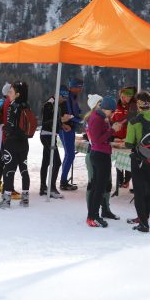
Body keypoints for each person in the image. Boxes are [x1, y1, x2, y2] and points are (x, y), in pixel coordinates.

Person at [125, 91, 150, 233]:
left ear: (138, 105)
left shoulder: (134, 121)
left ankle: (143, 223)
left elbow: (129, 144)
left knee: (140, 193)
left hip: (139, 161)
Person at [86, 95, 120, 227]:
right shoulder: (96, 118)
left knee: (99, 187)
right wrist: (112, 130)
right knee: (98, 187)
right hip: (99, 154)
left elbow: (102, 135)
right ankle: (92, 216)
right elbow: (96, 140)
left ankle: (95, 214)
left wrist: (111, 132)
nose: (112, 114)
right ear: (106, 109)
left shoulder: (101, 117)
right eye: (112, 111)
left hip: (102, 153)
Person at [0, 81, 32, 208]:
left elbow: (10, 127)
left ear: (17, 94)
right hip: (24, 143)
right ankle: (25, 200)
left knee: (9, 170)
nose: (9, 94)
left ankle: (6, 201)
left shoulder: (12, 106)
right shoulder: (26, 105)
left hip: (12, 143)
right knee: (24, 170)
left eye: (11, 92)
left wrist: (4, 128)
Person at [38, 85, 71, 199]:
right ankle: (51, 188)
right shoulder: (49, 104)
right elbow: (45, 123)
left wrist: (62, 125)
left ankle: (43, 187)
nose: (65, 100)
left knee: (46, 161)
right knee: (57, 162)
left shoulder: (58, 104)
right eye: (64, 97)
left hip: (51, 135)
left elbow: (54, 122)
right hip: (47, 136)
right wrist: (61, 120)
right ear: (59, 94)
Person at [59, 77, 84, 190]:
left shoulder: (73, 97)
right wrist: (82, 121)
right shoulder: (68, 97)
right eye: (79, 87)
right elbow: (69, 114)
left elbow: (75, 112)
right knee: (70, 155)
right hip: (66, 128)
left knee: (68, 154)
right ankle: (63, 182)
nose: (81, 89)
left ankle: (63, 180)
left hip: (69, 127)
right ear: (73, 87)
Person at [111, 86, 137, 189]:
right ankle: (120, 180)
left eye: (125, 96)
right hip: (117, 138)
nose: (123, 98)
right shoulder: (117, 106)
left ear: (130, 97)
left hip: (129, 138)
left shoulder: (134, 106)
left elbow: (131, 119)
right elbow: (112, 119)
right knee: (119, 159)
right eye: (122, 96)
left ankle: (127, 180)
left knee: (129, 160)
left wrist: (121, 122)